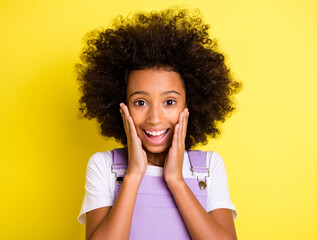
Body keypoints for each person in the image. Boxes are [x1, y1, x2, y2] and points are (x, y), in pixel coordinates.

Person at [76, 7, 241, 240]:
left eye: (169, 101)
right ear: (122, 105)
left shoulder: (208, 168)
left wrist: (176, 181)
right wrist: (133, 174)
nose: (154, 118)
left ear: (189, 104)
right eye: (141, 102)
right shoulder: (104, 167)